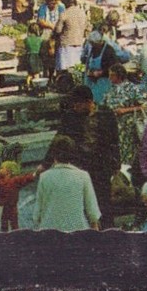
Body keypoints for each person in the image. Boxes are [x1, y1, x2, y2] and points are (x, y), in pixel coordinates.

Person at [61, 85, 121, 220]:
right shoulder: (70, 116)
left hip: (101, 164)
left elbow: (114, 141)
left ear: (89, 102)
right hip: (80, 164)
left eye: (78, 104)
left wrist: (116, 166)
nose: (75, 107)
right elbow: (59, 140)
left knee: (103, 201)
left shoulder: (106, 114)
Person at [32, 136, 100, 231]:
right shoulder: (83, 176)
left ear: (53, 155)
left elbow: (36, 215)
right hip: (77, 233)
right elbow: (93, 214)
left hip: (50, 234)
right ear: (73, 154)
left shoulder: (44, 177)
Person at [0, 161, 39, 232]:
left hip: (12, 206)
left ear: (8, 171)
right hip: (5, 205)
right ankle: (5, 232)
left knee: (13, 222)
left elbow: (26, 178)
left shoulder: (15, 180)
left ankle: (15, 233)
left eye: (2, 168)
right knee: (4, 220)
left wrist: (35, 174)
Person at [54, 0, 89, 71]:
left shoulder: (64, 14)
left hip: (66, 45)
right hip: (79, 43)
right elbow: (88, 27)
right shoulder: (82, 13)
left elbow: (58, 30)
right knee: (77, 69)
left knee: (65, 70)